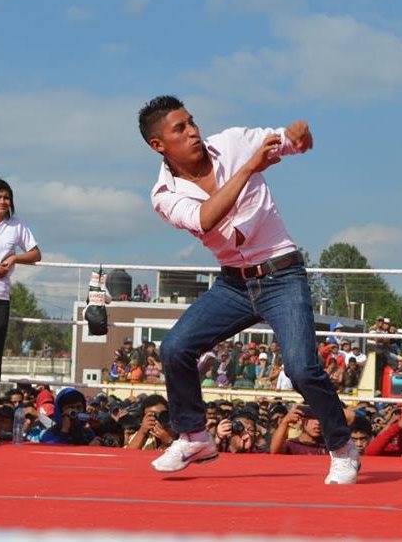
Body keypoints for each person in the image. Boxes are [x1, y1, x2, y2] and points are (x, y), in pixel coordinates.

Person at [138, 95, 357, 483]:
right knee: (175, 348)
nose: (193, 132)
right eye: (180, 129)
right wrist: (251, 168)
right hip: (234, 284)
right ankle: (195, 436)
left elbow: (287, 142)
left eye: (192, 122)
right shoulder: (163, 194)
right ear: (159, 145)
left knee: (302, 368)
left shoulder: (235, 142)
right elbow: (206, 218)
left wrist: (299, 135)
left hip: (282, 274)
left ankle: (342, 447)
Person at [0, 177, 41, 412]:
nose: (3, 201)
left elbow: (35, 254)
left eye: (7, 197)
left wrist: (15, 257)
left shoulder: (16, 225)